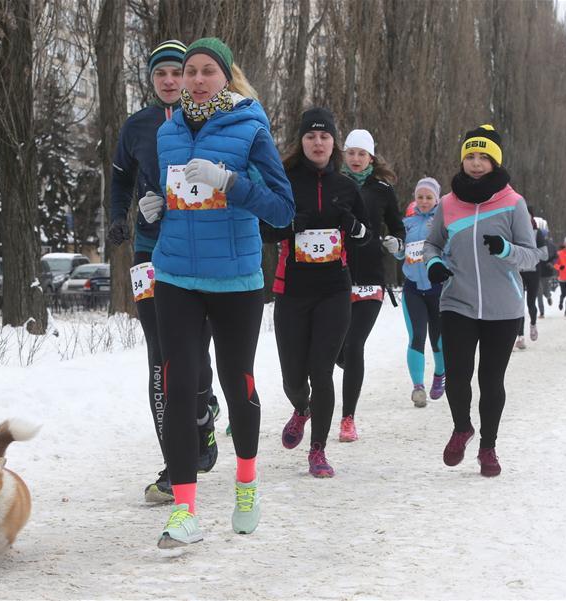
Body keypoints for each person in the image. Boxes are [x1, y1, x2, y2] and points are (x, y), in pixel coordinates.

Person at [139, 38, 294, 548]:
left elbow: (282, 211)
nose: (198, 79)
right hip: (176, 275)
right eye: (190, 72)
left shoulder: (251, 127)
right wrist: (157, 207)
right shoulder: (167, 133)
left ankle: (246, 482)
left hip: (236, 279)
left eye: (208, 71)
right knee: (180, 385)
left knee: (236, 382)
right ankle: (185, 511)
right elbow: (177, 195)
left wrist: (230, 180)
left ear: (226, 78)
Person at [107, 39, 220, 504]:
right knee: (160, 359)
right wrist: (121, 217)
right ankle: (176, 468)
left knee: (195, 349)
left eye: (178, 72)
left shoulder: (215, 117)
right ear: (151, 79)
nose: (171, 81)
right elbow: (119, 178)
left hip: (201, 251)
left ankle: (202, 413)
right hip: (150, 250)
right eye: (161, 74)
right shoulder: (138, 125)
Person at [423, 124, 539, 477]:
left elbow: (532, 256)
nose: (475, 163)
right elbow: (432, 244)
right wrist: (434, 264)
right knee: (457, 376)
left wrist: (506, 250)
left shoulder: (513, 203)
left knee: (491, 380)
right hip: (457, 301)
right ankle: (462, 427)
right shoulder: (447, 203)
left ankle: (488, 447)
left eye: (483, 157)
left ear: (495, 162)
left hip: (503, 307)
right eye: (470, 156)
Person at [263, 109, 370, 476]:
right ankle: (301, 407)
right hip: (292, 290)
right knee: (293, 376)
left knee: (321, 370)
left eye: (325, 137)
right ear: (302, 142)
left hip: (333, 291)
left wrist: (353, 227)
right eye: (311, 136)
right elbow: (266, 230)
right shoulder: (285, 181)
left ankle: (318, 450)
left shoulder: (346, 187)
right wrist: (291, 226)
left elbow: (364, 236)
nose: (318, 142)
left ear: (334, 143)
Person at [336, 128, 404, 436]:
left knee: (354, 345)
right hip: (335, 276)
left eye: (361, 154)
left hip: (371, 278)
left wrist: (396, 243)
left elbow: (399, 228)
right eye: (351, 153)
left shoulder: (382, 189)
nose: (355, 159)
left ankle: (348, 418)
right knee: (335, 350)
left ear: (371, 157)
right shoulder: (333, 184)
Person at [393, 178, 445, 407]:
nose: (424, 201)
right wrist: (395, 249)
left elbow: (452, 250)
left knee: (438, 338)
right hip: (413, 288)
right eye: (420, 197)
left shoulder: (442, 221)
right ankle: (418, 387)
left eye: (428, 197)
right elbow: (401, 253)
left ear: (436, 199)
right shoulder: (407, 223)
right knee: (416, 337)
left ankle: (439, 375)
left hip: (439, 289)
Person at [515, 207, 548, 350]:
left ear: (531, 217)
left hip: (534, 272)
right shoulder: (514, 232)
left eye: (527, 215)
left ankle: (533, 323)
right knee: (518, 304)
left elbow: (545, 255)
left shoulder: (537, 233)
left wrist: (530, 255)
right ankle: (520, 336)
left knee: (530, 303)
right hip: (519, 272)